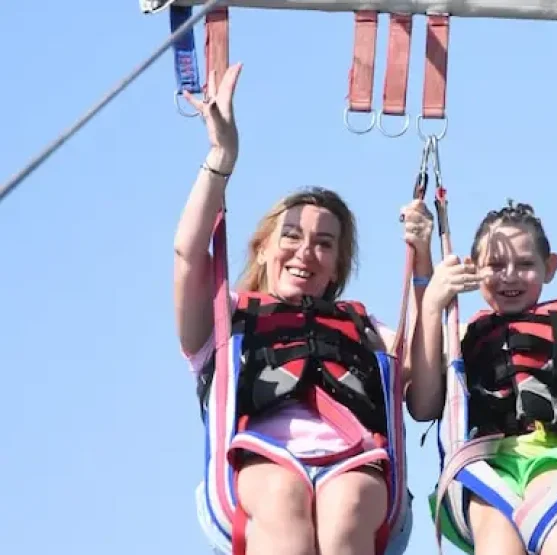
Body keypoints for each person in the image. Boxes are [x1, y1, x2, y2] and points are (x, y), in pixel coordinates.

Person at [174, 63, 429, 555]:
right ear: (264, 248)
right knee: (282, 497)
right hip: (262, 454)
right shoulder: (226, 322)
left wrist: (422, 262)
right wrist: (221, 157)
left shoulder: (365, 328)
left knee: (349, 507)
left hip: (355, 458)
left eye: (324, 244)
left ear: (337, 267)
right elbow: (188, 255)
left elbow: (417, 385)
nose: (305, 252)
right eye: (291, 236)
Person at [406, 199, 557, 555]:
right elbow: (422, 405)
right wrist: (432, 304)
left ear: (550, 267)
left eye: (525, 264)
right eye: (495, 264)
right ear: (473, 269)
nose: (509, 275)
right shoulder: (459, 337)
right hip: (482, 467)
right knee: (497, 544)